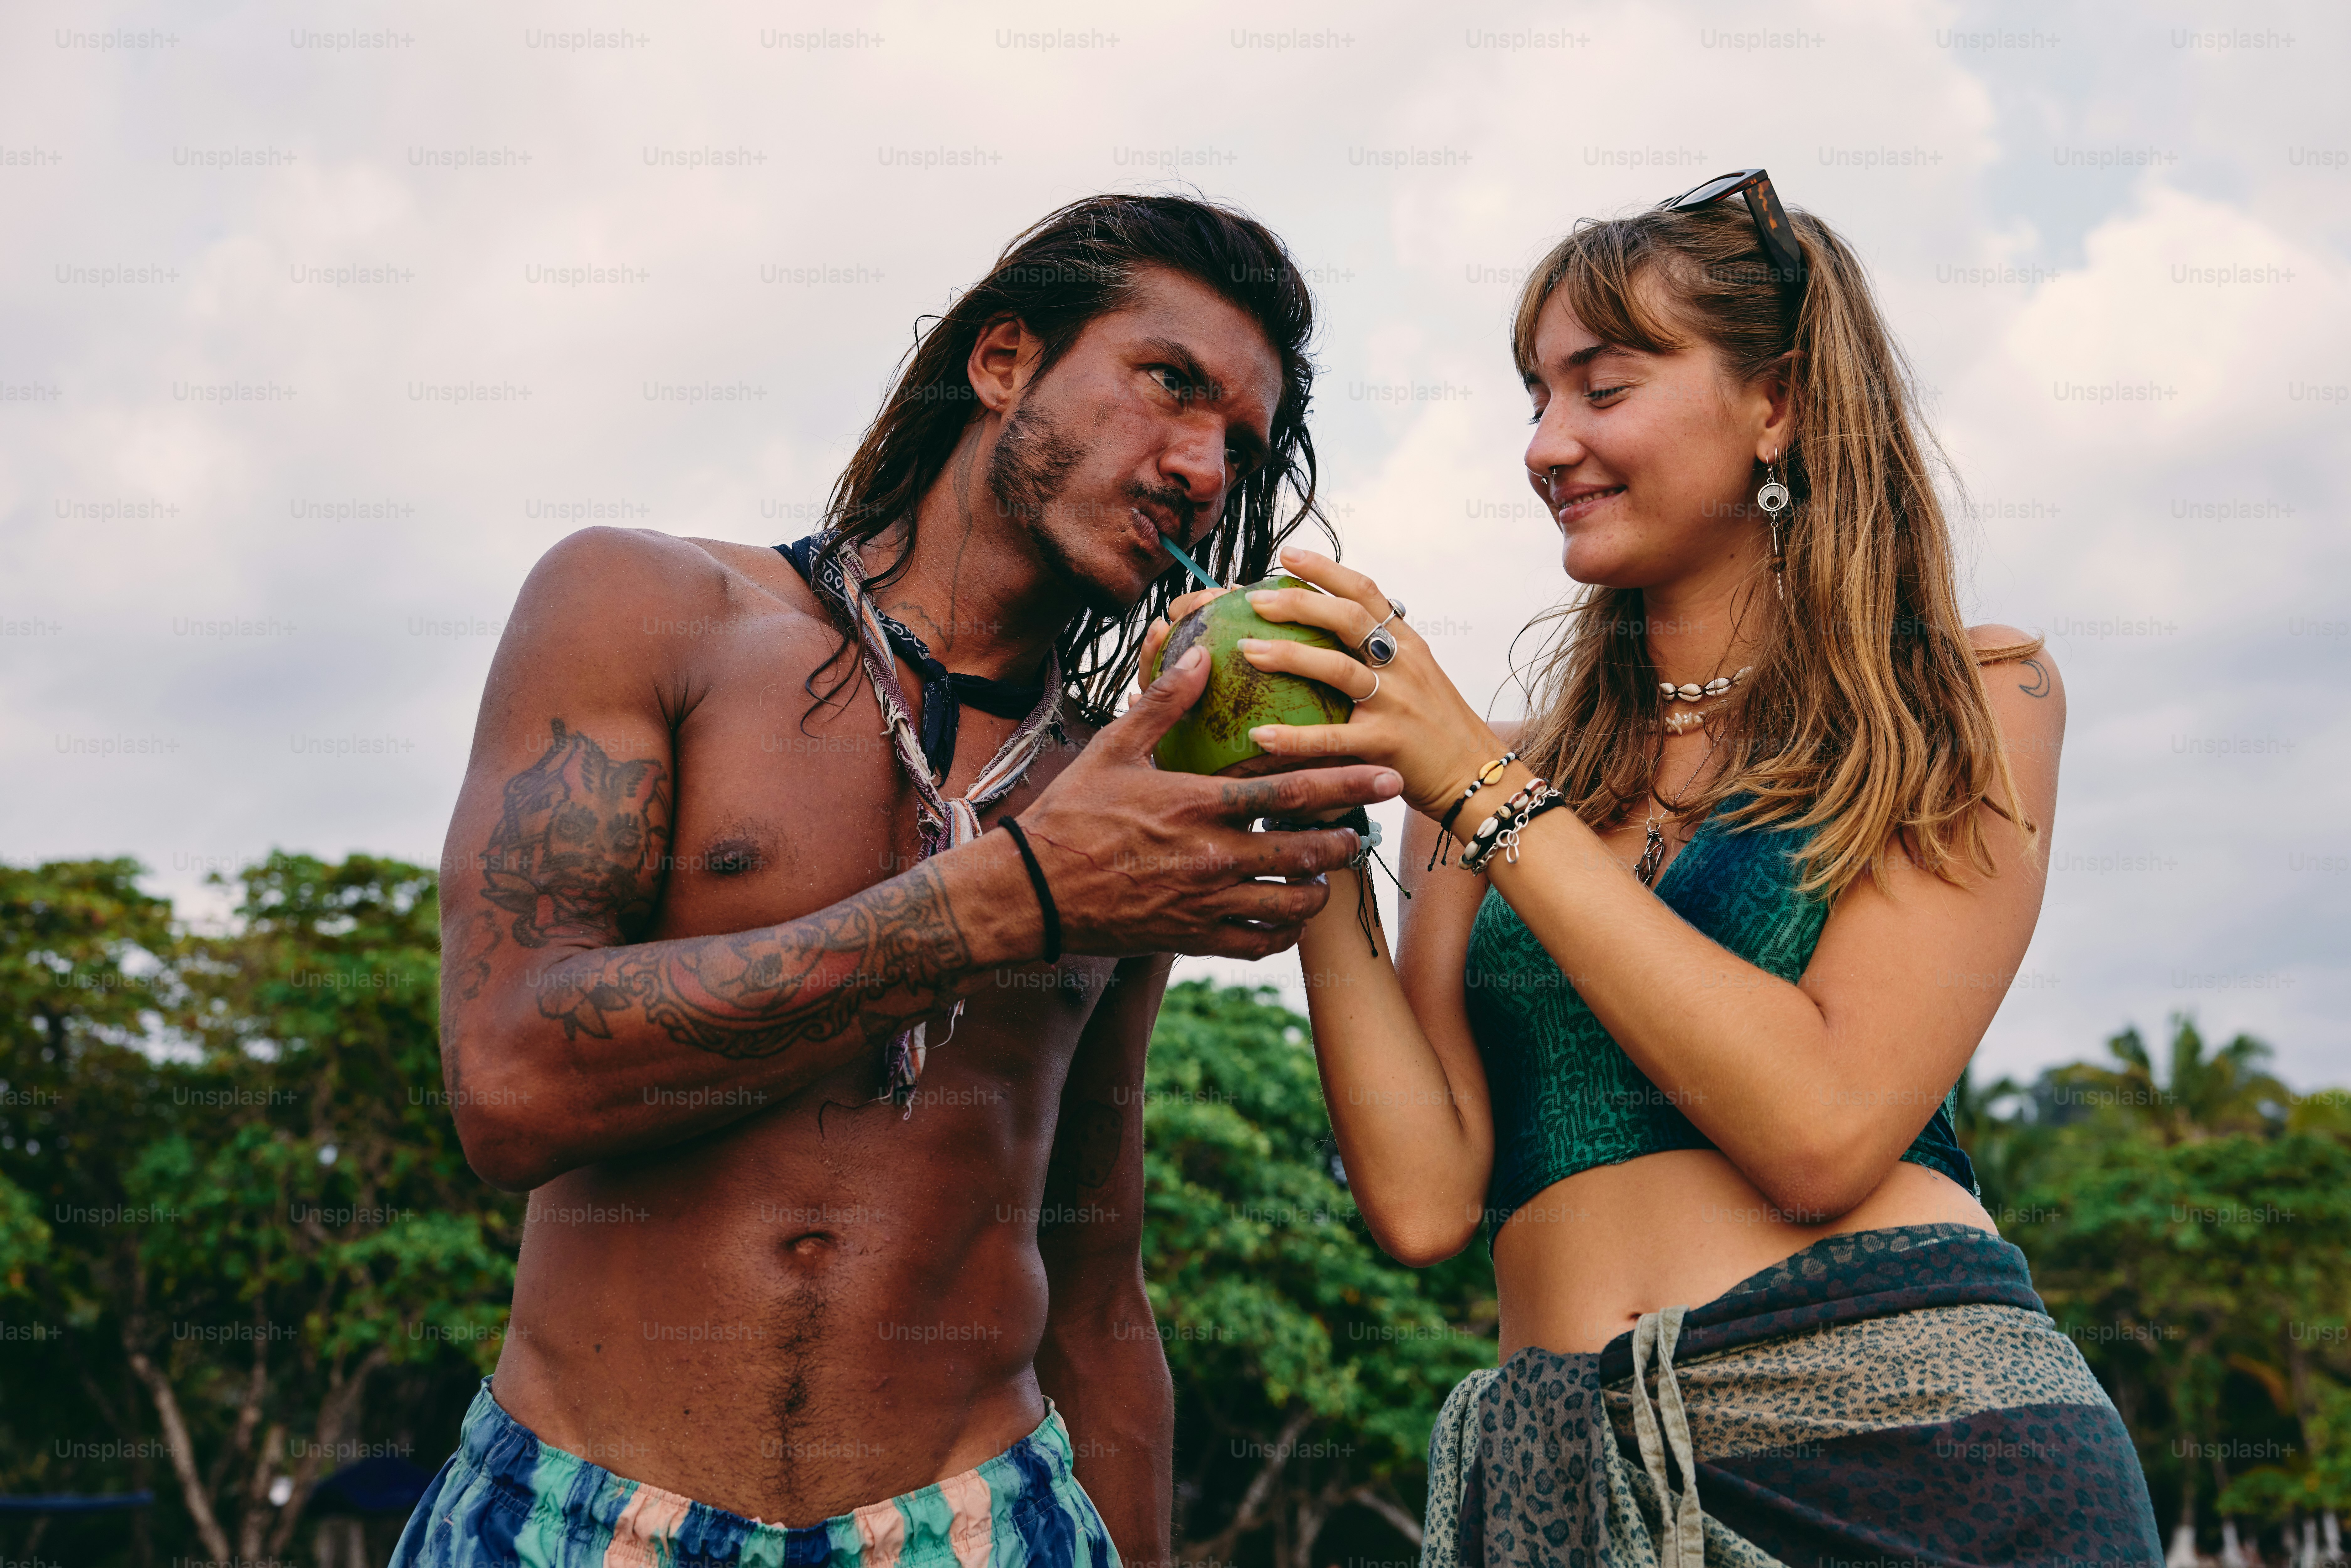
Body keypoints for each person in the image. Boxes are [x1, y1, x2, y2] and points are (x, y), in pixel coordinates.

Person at [1141, 172, 2164, 1566]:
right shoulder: (1486, 780)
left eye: (1602, 388)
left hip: (1910, 1453)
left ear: (1780, 403)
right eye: (1535, 401)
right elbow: (1428, 1198)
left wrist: (1478, 784)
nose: (1548, 445)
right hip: (1573, 1483)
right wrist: (1321, 830)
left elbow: (1822, 1130)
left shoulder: (1969, 696)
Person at [394, 194, 1404, 1568]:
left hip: (982, 1522)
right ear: (1004, 363)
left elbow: (1097, 1287)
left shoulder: (1132, 796)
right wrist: (1017, 898)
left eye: (1241, 441)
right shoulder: (644, 608)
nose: (1201, 467)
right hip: (577, 1510)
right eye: (1169, 384)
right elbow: (512, 1086)